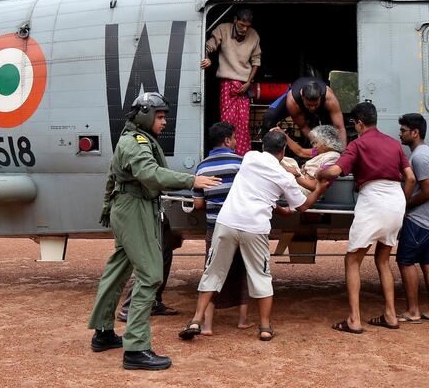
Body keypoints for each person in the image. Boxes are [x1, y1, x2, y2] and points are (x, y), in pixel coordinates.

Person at [87, 92, 221, 371]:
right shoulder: (136, 142)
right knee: (150, 274)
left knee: (117, 270)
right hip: (134, 208)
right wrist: (191, 180)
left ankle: (103, 333)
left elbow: (115, 178)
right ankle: (136, 348)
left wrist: (106, 208)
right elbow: (150, 175)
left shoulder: (134, 139)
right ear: (146, 115)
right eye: (159, 117)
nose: (163, 122)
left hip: (130, 207)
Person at [179, 131, 329, 342]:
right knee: (260, 275)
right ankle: (265, 327)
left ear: (262, 146)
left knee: (213, 271)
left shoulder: (249, 157)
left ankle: (196, 320)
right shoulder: (284, 177)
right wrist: (319, 189)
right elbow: (303, 205)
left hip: (227, 221)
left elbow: (256, 187)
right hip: (255, 226)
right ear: (283, 151)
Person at [316, 102, 415, 334]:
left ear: (359, 123)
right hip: (395, 202)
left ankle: (354, 319)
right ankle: (390, 315)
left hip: (373, 202)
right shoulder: (393, 143)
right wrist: (402, 202)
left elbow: (334, 171)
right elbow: (409, 178)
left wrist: (318, 171)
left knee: (352, 261)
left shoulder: (358, 144)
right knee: (382, 260)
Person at [191, 122, 253, 335]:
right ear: (227, 140)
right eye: (235, 138)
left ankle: (207, 325)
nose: (236, 142)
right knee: (242, 271)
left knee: (212, 272)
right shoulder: (242, 163)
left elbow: (198, 204)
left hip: (215, 228)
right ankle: (243, 320)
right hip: (241, 226)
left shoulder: (202, 167)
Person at [396, 113, 429, 323]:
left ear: (415, 132)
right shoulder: (424, 153)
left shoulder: (419, 157)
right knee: (427, 261)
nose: (400, 134)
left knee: (405, 261)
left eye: (403, 130)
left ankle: (413, 311)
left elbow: (428, 191)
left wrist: (404, 205)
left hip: (421, 220)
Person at [201, 8, 261, 156]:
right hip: (227, 84)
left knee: (243, 126)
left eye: (248, 26)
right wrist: (206, 57)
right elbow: (208, 46)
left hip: (244, 85)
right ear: (235, 20)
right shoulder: (223, 29)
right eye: (241, 25)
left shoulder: (254, 35)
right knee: (227, 124)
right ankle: (226, 155)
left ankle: (241, 157)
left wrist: (248, 82)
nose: (244, 29)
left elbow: (256, 61)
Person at [116, 214, 179, 322]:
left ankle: (153, 302)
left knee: (164, 255)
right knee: (152, 261)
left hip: (158, 213)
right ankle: (129, 307)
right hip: (146, 213)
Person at [261, 77, 347, 147]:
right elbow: (303, 127)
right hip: (294, 100)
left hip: (323, 108)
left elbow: (340, 128)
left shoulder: (329, 98)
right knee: (269, 117)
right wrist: (321, 145)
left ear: (320, 97)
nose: (312, 108)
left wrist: (342, 152)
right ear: (303, 97)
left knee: (332, 128)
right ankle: (267, 151)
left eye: (315, 105)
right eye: (309, 105)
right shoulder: (293, 100)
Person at [276, 124, 344, 196]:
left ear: (327, 143)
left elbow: (316, 187)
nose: (314, 146)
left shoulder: (333, 157)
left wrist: (296, 176)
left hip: (305, 190)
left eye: (316, 142)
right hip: (302, 179)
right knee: (283, 160)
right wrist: (284, 135)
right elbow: (300, 151)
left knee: (275, 164)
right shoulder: (321, 151)